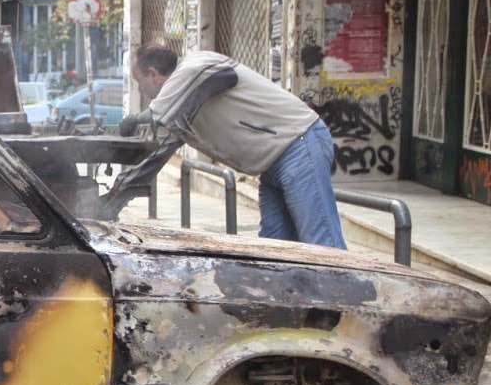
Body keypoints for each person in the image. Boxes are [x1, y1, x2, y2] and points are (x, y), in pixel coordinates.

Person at [121, 44, 347, 249]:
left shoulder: (197, 65)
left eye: (139, 83)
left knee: (322, 243)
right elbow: (157, 153)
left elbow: (160, 111)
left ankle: (347, 293)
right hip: (270, 164)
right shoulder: (177, 109)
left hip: (298, 145)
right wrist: (117, 194)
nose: (141, 91)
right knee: (274, 249)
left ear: (152, 73)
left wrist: (136, 119)